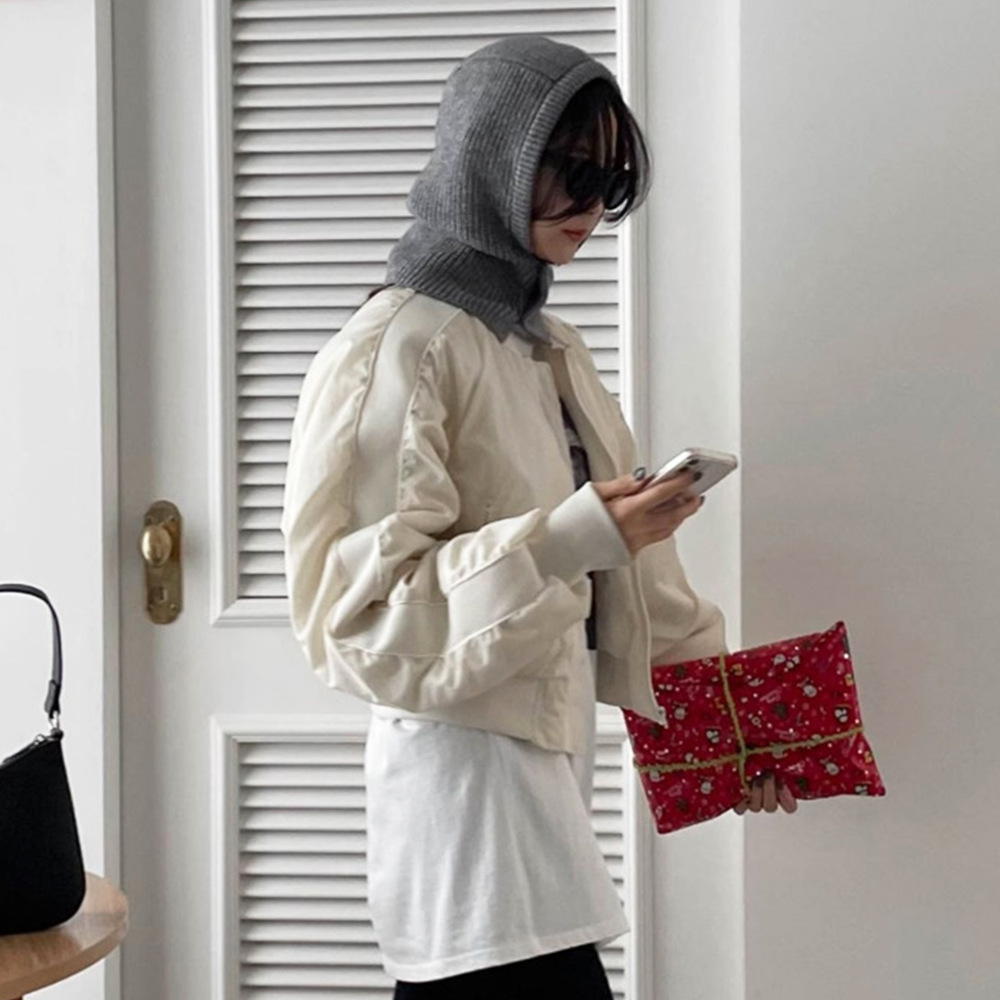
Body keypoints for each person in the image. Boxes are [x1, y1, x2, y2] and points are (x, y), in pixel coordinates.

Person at [280, 33, 794, 999]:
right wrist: (569, 539)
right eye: (572, 172)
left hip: (547, 771)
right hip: (459, 795)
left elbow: (637, 582)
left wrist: (738, 738)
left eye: (612, 180)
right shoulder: (397, 348)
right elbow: (355, 617)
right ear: (492, 159)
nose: (593, 206)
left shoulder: (546, 348)